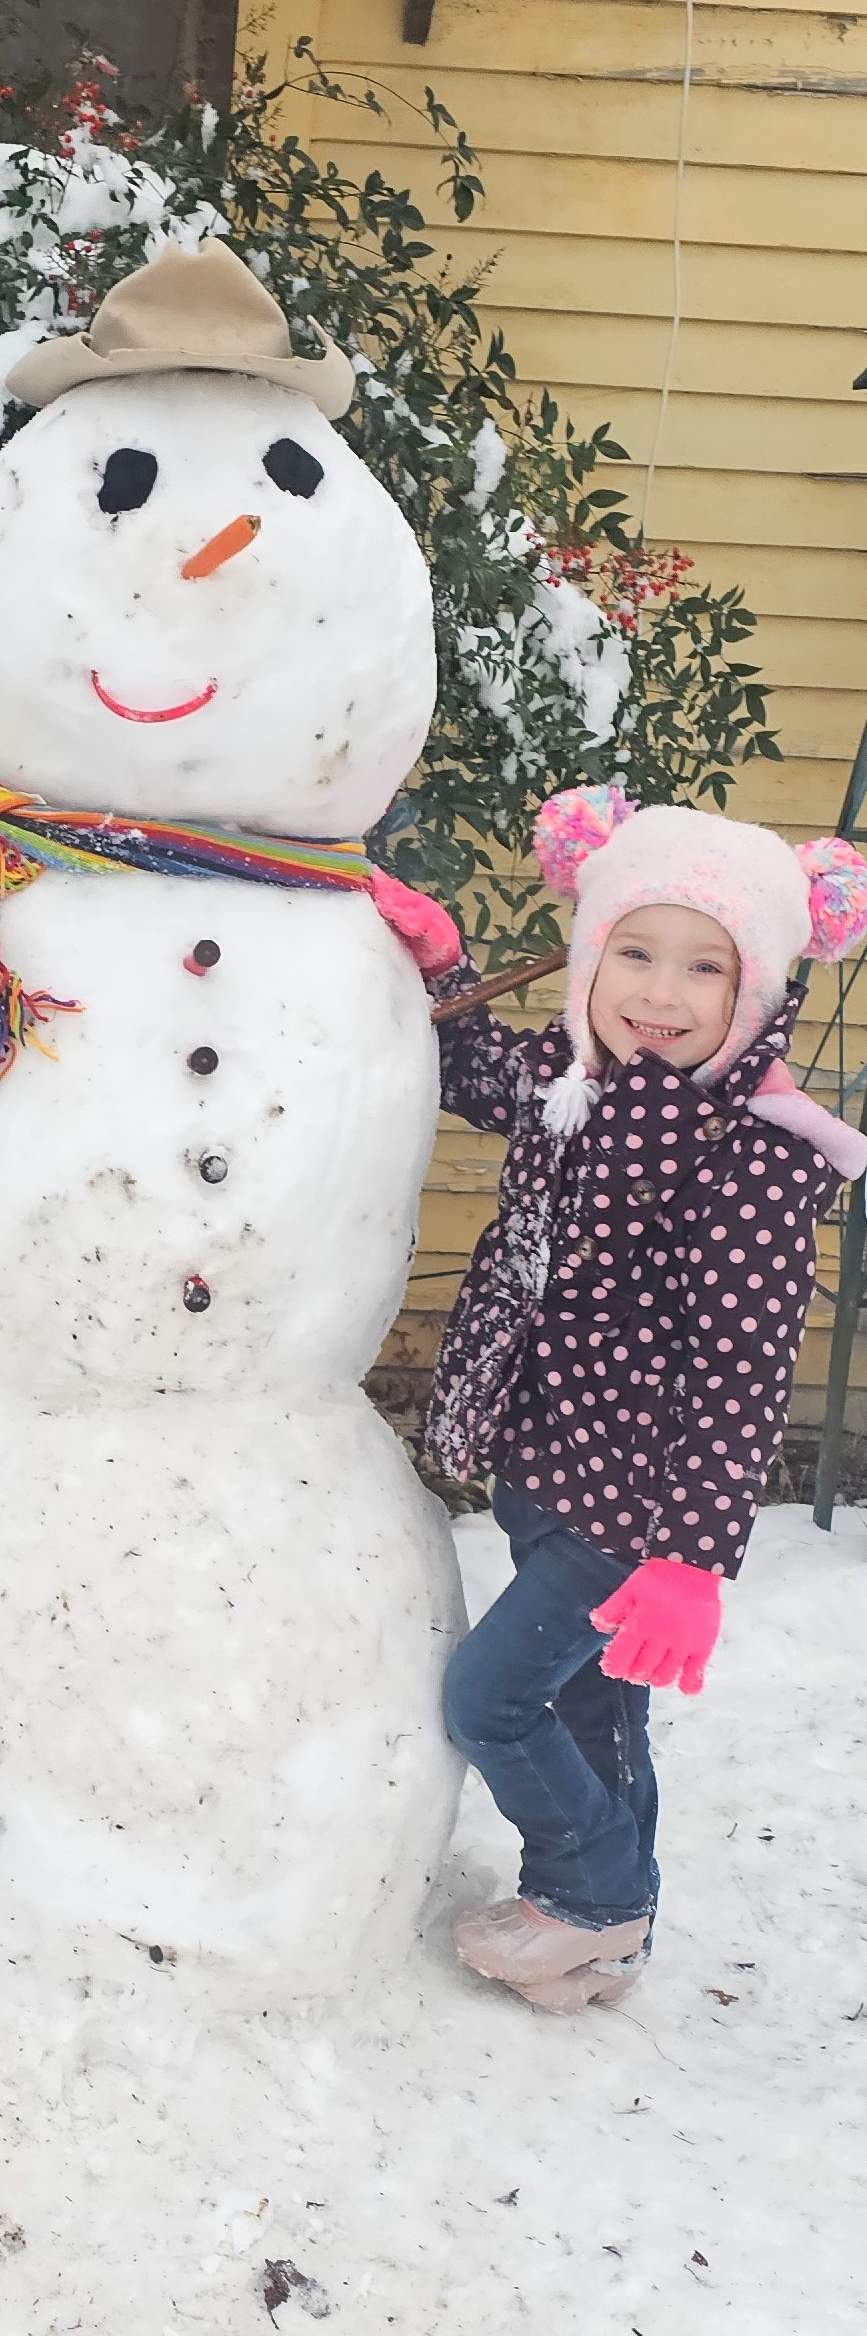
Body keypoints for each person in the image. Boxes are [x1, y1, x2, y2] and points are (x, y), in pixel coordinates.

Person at [424, 787, 867, 2012]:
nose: (659, 995)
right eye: (634, 951)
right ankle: (606, 1935)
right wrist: (434, 958)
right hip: (545, 1465)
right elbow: (473, 1068)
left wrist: (686, 1559)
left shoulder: (754, 1161)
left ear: (759, 993)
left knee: (490, 1699)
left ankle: (596, 1893)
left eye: (702, 968)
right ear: (591, 953)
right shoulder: (573, 1084)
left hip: (626, 1505)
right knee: (592, 1703)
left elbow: (738, 1380)